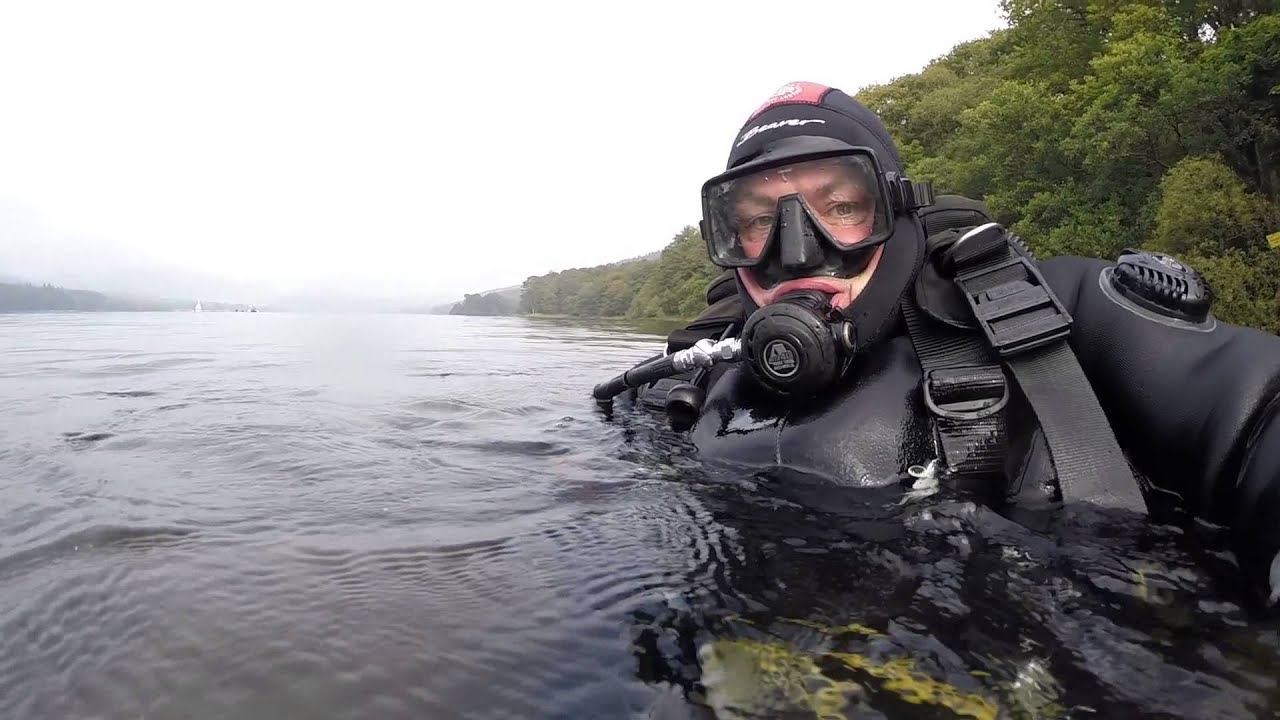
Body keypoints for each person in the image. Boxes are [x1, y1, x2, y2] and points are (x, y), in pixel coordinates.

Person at [628, 80, 1280, 608]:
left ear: (896, 210)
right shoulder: (700, 375)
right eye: (758, 221)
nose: (798, 251)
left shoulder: (1054, 317)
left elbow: (1257, 412)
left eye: (841, 207)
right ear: (727, 243)